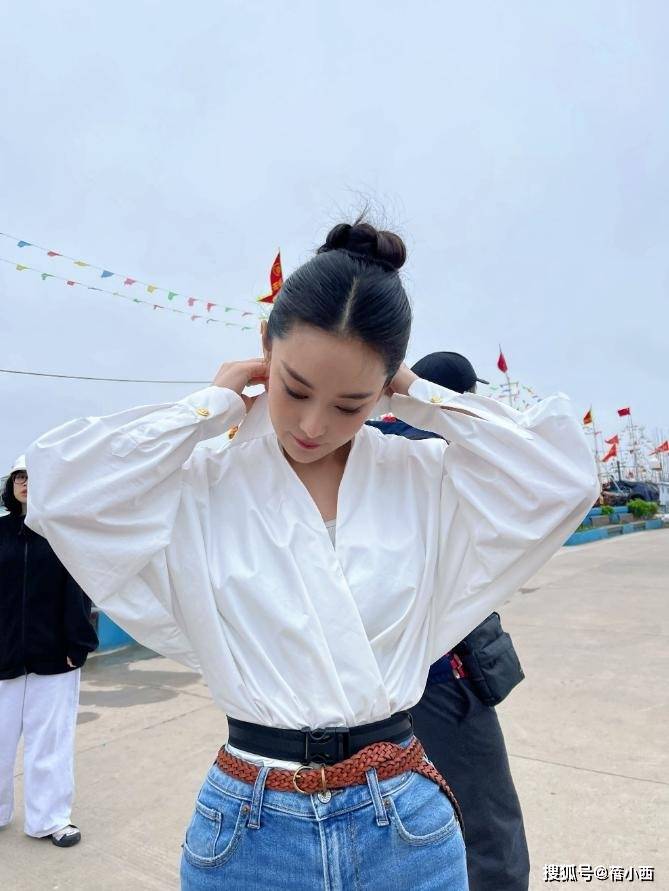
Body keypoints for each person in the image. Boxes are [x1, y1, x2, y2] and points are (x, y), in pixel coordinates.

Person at [25, 220, 598, 889]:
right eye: (294, 389)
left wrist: (424, 398)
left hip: (405, 824)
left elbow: (564, 480)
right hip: (248, 827)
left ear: (385, 390)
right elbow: (57, 492)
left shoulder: (421, 479)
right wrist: (205, 409)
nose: (313, 425)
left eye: (351, 404)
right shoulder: (204, 481)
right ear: (264, 347)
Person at [369, 351, 530, 890]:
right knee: (488, 827)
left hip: (374, 679)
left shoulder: (365, 443)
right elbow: (552, 468)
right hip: (443, 673)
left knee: (398, 824)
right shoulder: (453, 448)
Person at [0, 455, 98, 848]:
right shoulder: (0, 532)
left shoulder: (62, 532)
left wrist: (79, 644)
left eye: (33, 475)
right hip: (4, 656)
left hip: (55, 657)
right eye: (19, 476)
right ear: (12, 486)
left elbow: (80, 588)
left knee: (50, 743)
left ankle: (50, 819)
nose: (25, 482)